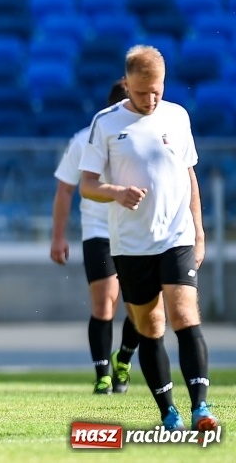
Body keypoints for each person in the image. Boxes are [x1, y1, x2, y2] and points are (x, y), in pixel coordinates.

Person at [79, 45, 218, 431]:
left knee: (185, 315)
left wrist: (199, 233)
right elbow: (87, 185)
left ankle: (201, 408)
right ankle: (168, 413)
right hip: (131, 244)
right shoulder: (105, 123)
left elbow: (189, 176)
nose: (150, 99)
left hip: (177, 236)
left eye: (156, 90)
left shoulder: (177, 116)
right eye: (141, 92)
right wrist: (117, 193)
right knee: (150, 326)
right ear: (127, 84)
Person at [51, 80, 140, 395]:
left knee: (140, 308)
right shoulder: (83, 140)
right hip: (99, 232)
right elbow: (65, 187)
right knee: (104, 304)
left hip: (135, 232)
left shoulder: (145, 139)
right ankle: (102, 373)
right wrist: (58, 237)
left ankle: (124, 359)